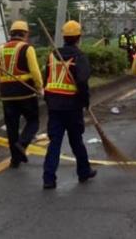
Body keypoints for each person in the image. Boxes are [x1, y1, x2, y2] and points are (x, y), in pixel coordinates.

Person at [42, 20, 96, 189]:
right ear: (79, 37)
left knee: (55, 142)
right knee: (76, 140)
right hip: (72, 106)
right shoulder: (79, 57)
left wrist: (48, 98)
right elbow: (82, 82)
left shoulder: (52, 55)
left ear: (64, 37)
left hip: (54, 105)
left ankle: (48, 178)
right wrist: (85, 102)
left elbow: (46, 79)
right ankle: (84, 171)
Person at [0, 20, 43, 169]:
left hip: (6, 94)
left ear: (11, 34)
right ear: (25, 34)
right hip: (25, 93)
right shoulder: (27, 48)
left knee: (12, 127)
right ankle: (22, 143)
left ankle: (15, 160)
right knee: (33, 122)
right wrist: (39, 87)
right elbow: (35, 71)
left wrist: (4, 78)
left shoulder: (0, 49)